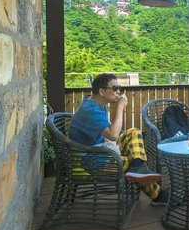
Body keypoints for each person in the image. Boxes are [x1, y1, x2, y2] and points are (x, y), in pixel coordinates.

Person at [68, 73, 169, 206]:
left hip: (99, 147)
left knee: (133, 132)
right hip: (89, 159)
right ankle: (157, 194)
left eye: (119, 88)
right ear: (102, 91)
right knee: (127, 162)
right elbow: (113, 135)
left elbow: (109, 133)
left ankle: (139, 167)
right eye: (115, 88)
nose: (118, 92)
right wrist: (120, 107)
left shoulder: (95, 103)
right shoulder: (90, 110)